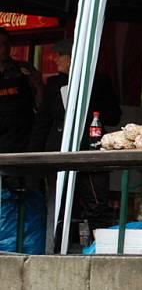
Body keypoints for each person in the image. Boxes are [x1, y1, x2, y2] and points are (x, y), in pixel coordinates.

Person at [40, 38, 122, 245]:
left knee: (96, 205)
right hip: (58, 152)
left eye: (61, 55)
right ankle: (57, 249)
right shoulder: (53, 84)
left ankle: (100, 249)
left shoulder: (99, 82)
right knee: (59, 206)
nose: (56, 59)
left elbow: (113, 116)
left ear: (73, 58)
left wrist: (90, 97)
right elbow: (42, 121)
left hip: (90, 149)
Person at [0, 27, 44, 155]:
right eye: (0, 44)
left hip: (23, 134)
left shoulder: (24, 68)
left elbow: (41, 101)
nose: (3, 48)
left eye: (6, 44)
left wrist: (36, 81)